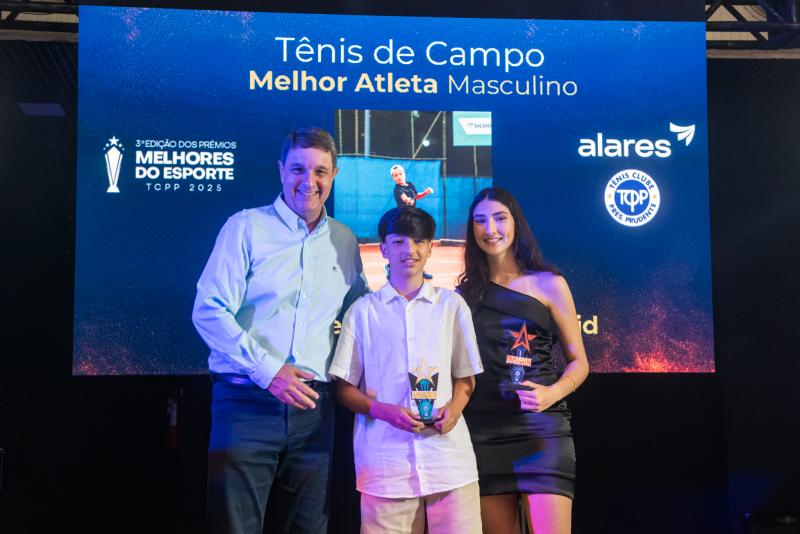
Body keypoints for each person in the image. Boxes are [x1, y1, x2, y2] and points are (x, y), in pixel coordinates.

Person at [192, 127, 367, 534]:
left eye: (320, 171)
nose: (310, 181)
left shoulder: (344, 240)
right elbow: (209, 311)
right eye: (298, 169)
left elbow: (361, 312)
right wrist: (269, 371)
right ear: (280, 170)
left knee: (309, 528)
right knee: (235, 526)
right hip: (246, 402)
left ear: (334, 174)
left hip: (315, 409)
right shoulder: (245, 228)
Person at [330, 207, 484, 534]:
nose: (409, 250)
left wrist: (455, 409)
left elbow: (466, 376)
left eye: (418, 241)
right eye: (398, 241)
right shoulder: (363, 312)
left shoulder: (452, 306)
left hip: (449, 462)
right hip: (386, 467)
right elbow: (343, 389)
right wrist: (383, 411)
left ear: (430, 247)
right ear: (383, 248)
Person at [457, 187, 589, 534]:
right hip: (483, 432)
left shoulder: (550, 284)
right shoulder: (464, 295)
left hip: (541, 429)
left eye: (500, 218)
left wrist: (551, 394)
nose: (490, 229)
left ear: (516, 223)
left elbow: (579, 362)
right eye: (480, 221)